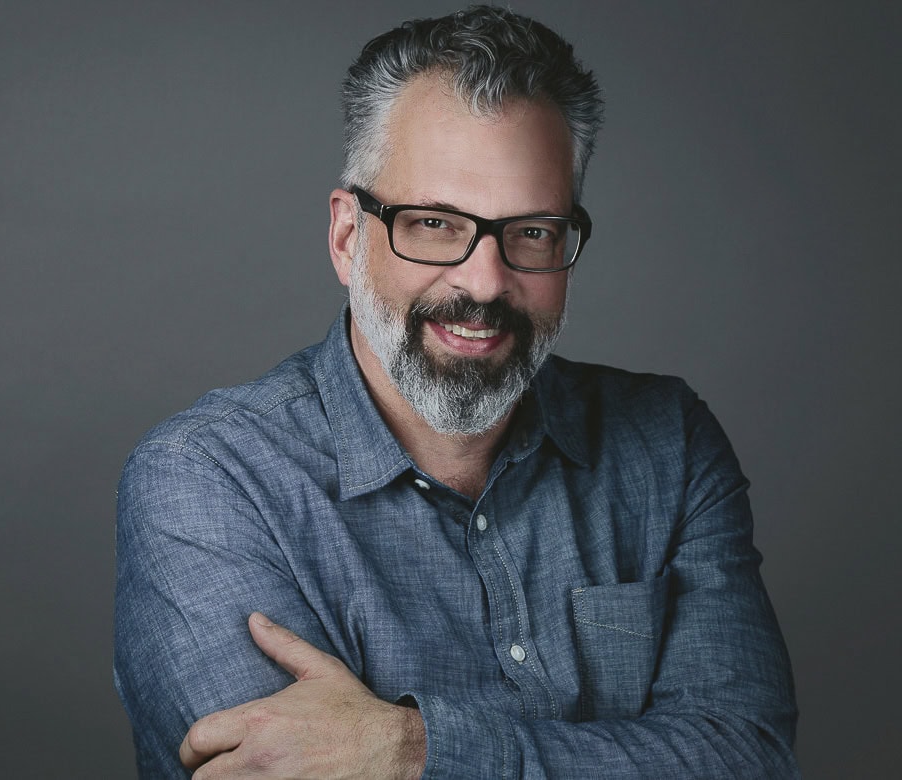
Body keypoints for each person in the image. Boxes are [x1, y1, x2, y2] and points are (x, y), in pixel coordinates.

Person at [114, 6, 798, 778]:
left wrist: (413, 752)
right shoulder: (206, 482)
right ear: (348, 238)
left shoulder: (666, 445)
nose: (485, 281)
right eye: (434, 222)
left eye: (532, 230)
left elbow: (752, 759)